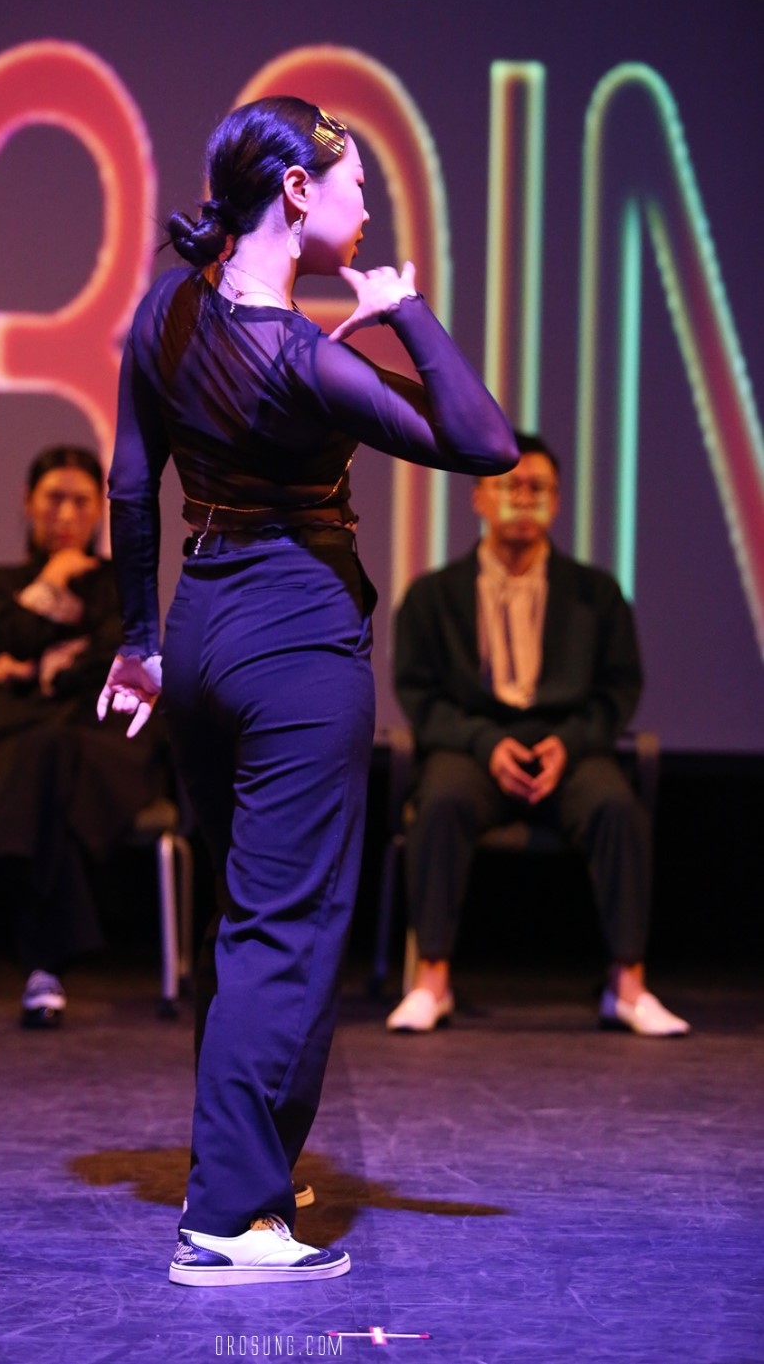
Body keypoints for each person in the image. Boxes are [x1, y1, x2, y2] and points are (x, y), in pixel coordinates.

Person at [96, 95, 517, 1286]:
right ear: (294, 190)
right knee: (285, 929)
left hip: (202, 632)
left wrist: (143, 641)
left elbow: (132, 485)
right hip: (295, 644)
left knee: (246, 923)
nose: (367, 206)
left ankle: (241, 1172)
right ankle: (231, 1220)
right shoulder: (303, 356)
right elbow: (485, 442)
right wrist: (405, 311)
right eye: (356, 184)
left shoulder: (167, 309)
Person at [387, 431, 690, 1038]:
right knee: (440, 803)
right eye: (510, 486)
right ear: (478, 496)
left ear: (556, 501)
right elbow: (419, 694)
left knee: (616, 808)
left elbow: (618, 689)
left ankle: (628, 985)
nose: (523, 499)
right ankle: (432, 980)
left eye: (538, 488)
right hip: (474, 746)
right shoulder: (432, 596)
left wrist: (568, 745)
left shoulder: (597, 595)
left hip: (566, 746)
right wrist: (484, 744)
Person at [0, 445, 167, 1027]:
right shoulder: (0, 582)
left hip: (107, 753)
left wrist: (41, 670)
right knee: (48, 791)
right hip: (29, 761)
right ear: (27, 503)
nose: (66, 514)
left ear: (99, 512)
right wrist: (52, 581)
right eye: (53, 499)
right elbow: (15, 635)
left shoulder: (120, 582)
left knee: (49, 756)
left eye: (81, 501)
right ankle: (44, 974)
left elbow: (115, 655)